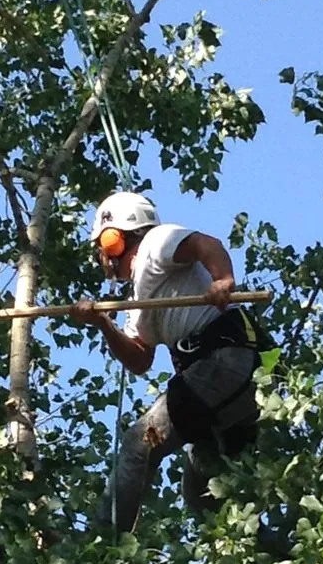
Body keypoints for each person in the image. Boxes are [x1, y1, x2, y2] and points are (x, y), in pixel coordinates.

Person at [70, 191, 267, 534]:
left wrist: (223, 280)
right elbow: (140, 358)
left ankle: (100, 544)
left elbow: (205, 244)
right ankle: (273, 552)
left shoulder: (155, 244)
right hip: (231, 387)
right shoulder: (137, 299)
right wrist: (103, 323)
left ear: (115, 238)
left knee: (139, 445)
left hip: (225, 361)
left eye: (103, 245)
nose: (102, 257)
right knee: (204, 498)